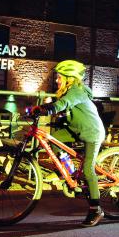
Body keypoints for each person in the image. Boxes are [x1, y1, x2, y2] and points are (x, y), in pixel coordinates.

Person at [30, 60, 106, 227]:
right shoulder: (68, 91)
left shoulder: (76, 91)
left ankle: (96, 209)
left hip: (92, 133)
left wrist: (45, 109)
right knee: (55, 138)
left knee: (88, 169)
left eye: (59, 77)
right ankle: (70, 170)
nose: (57, 80)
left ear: (69, 78)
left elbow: (62, 105)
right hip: (76, 130)